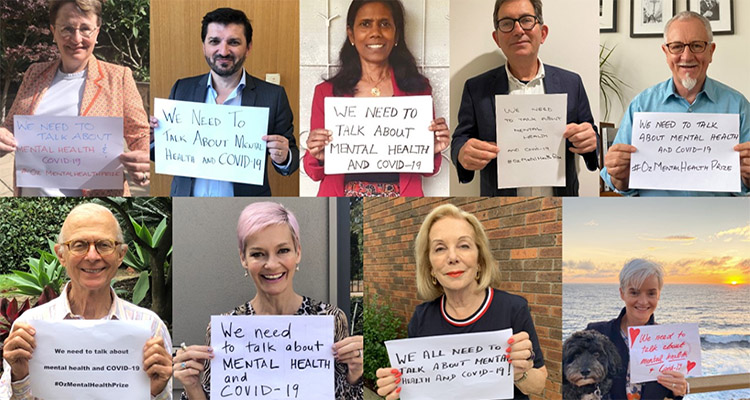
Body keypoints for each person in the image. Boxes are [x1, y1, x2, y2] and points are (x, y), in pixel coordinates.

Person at [173, 202, 363, 399]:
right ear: (243, 259)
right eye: (257, 254)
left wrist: (355, 375)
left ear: (298, 252)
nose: (271, 264)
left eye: (283, 250)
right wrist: (193, 387)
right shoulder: (224, 330)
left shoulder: (331, 319)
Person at [0, 203, 173, 399]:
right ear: (61, 255)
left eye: (104, 245)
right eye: (79, 245)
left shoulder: (151, 328)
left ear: (121, 255)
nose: (92, 256)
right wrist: (19, 377)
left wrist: (155, 392)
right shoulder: (28, 327)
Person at [375, 204, 547, 399]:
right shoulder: (421, 317)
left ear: (480, 260)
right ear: (430, 267)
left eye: (463, 245)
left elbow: (539, 385)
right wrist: (397, 385)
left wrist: (520, 372)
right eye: (440, 248)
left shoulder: (513, 309)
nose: (452, 257)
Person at [0, 0, 150, 196]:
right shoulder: (34, 73)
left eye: (85, 28)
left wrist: (144, 158)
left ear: (97, 32)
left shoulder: (118, 78)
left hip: (94, 201)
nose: (76, 38)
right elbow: (12, 126)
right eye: (67, 29)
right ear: (54, 31)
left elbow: (140, 134)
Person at [303, 0, 450, 197]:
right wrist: (318, 154)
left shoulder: (418, 90)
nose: (375, 32)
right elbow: (313, 170)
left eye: (384, 24)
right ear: (351, 34)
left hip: (402, 201)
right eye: (365, 24)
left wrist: (433, 148)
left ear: (396, 34)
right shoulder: (326, 92)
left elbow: (427, 169)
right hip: (342, 198)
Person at [451, 0, 598, 196]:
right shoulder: (476, 88)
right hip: (501, 206)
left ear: (542, 33)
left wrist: (591, 141)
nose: (518, 30)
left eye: (526, 20)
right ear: (497, 39)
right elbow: (460, 138)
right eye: (506, 23)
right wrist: (461, 153)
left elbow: (591, 134)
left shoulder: (572, 83)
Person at [152, 8, 299, 196]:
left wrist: (284, 156)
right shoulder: (182, 89)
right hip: (186, 204)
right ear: (203, 46)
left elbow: (290, 160)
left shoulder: (273, 95)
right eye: (214, 41)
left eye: (234, 42)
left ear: (248, 47)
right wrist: (153, 141)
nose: (223, 51)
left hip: (245, 205)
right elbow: (166, 155)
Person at [602, 11, 750, 196]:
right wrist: (620, 175)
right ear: (666, 52)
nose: (687, 56)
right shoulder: (641, 106)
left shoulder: (738, 106)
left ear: (711, 52)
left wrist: (747, 176)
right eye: (677, 46)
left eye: (697, 45)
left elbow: (746, 184)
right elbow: (618, 182)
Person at [586, 259, 687, 399]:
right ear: (622, 293)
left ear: (659, 294)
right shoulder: (596, 334)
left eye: (651, 293)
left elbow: (669, 393)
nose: (643, 301)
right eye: (634, 293)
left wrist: (679, 390)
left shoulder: (669, 342)